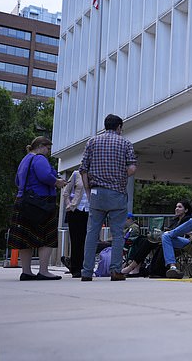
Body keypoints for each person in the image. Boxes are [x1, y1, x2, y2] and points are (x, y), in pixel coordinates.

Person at [79, 114, 137, 281]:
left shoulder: (92, 142)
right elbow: (132, 168)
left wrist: (89, 191)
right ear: (119, 127)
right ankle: (115, 270)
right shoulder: (125, 143)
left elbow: (83, 169)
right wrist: (120, 174)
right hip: (117, 193)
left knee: (92, 233)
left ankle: (86, 272)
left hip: (97, 193)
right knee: (118, 233)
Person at [9, 136, 67, 281]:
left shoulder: (25, 160)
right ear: (41, 146)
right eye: (47, 148)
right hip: (41, 203)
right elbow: (45, 176)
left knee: (25, 238)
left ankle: (26, 271)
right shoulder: (39, 159)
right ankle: (43, 271)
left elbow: (17, 180)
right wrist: (57, 182)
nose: (48, 152)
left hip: (23, 202)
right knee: (47, 237)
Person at [120, 200, 192, 277]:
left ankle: (131, 267)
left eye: (179, 207)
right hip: (166, 240)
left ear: (186, 210)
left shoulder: (188, 221)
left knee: (148, 242)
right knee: (142, 239)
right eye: (176, 207)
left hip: (177, 243)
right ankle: (136, 267)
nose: (176, 209)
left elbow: (186, 234)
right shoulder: (175, 221)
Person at [62, 170, 89, 278]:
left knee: (87, 240)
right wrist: (69, 204)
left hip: (90, 211)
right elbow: (66, 191)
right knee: (75, 240)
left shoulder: (97, 173)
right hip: (76, 210)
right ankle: (75, 268)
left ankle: (85, 267)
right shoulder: (76, 174)